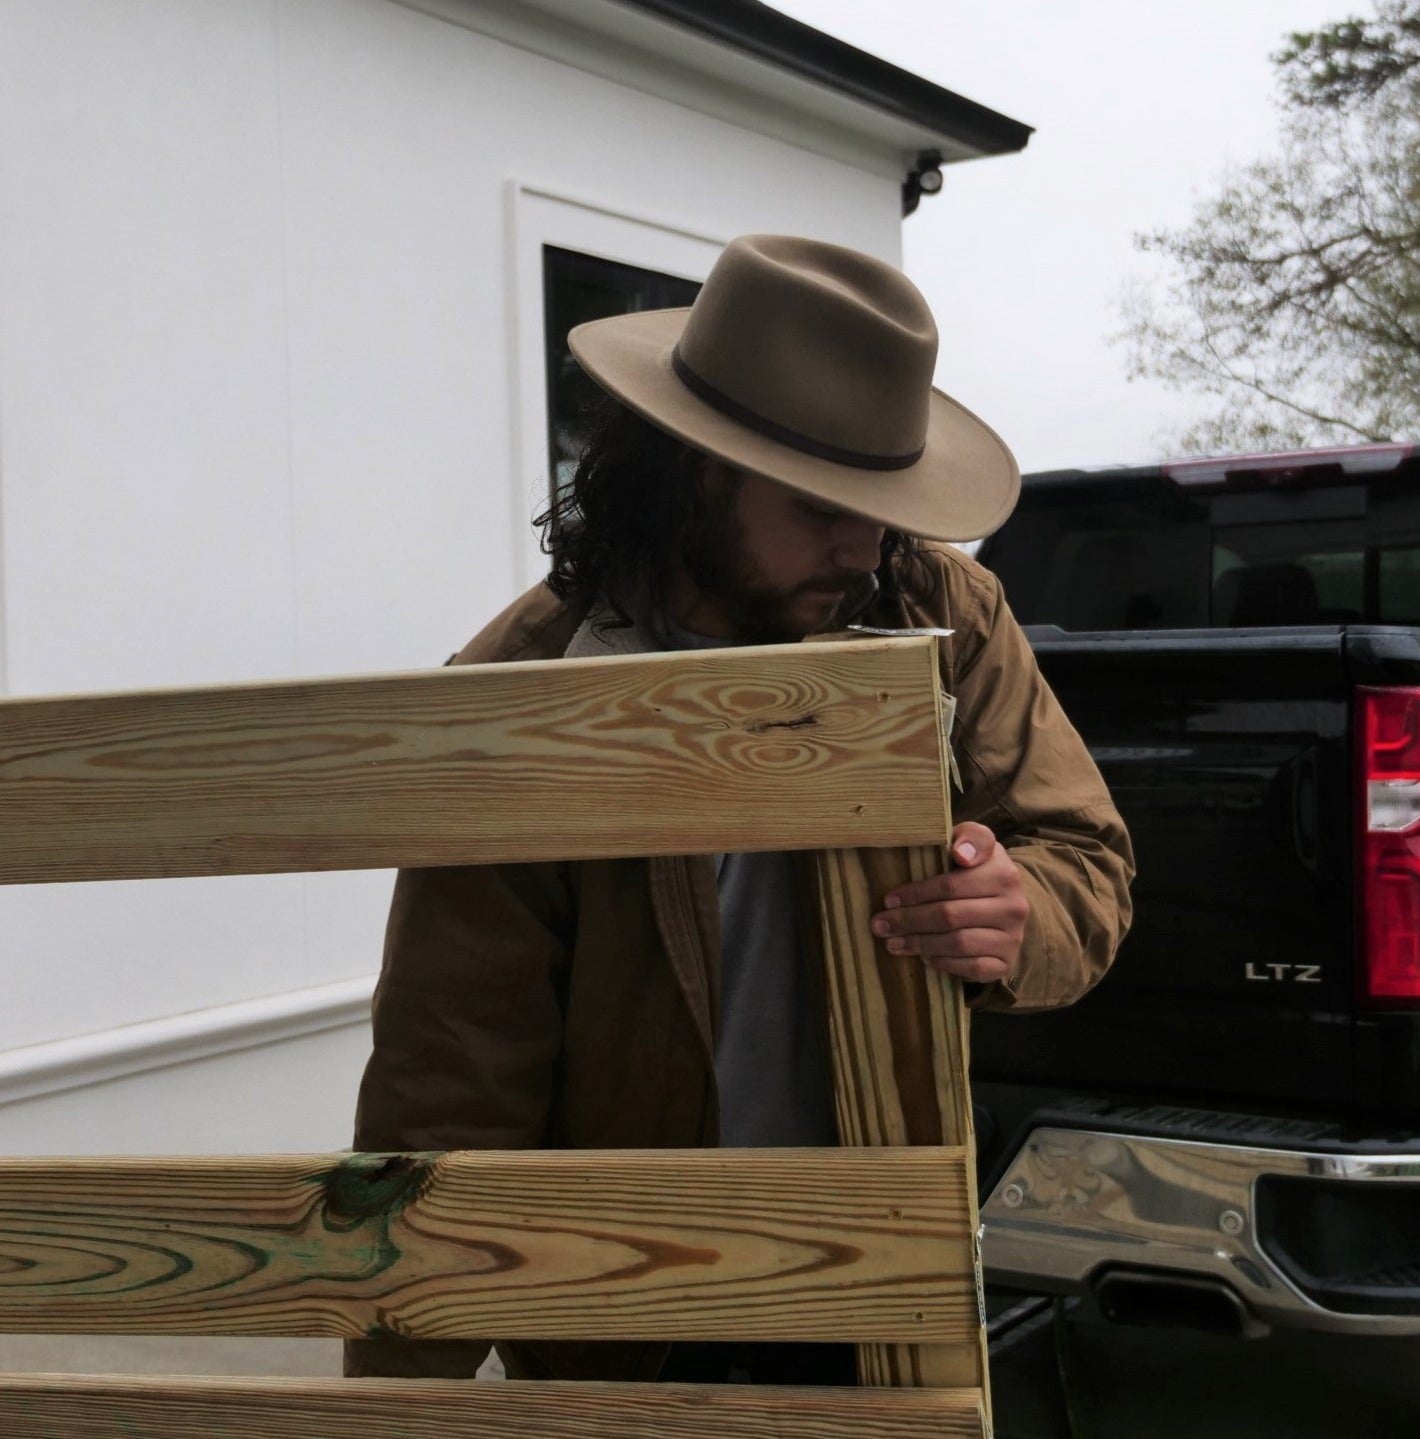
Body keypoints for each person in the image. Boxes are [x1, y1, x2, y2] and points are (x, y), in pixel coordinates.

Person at [344, 233, 1134, 1387]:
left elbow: (1085, 855)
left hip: (882, 1257)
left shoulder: (943, 609)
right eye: (820, 504)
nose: (861, 546)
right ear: (696, 467)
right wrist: (402, 1386)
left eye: (882, 502)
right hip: (621, 1300)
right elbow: (456, 1067)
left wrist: (1021, 911)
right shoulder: (531, 685)